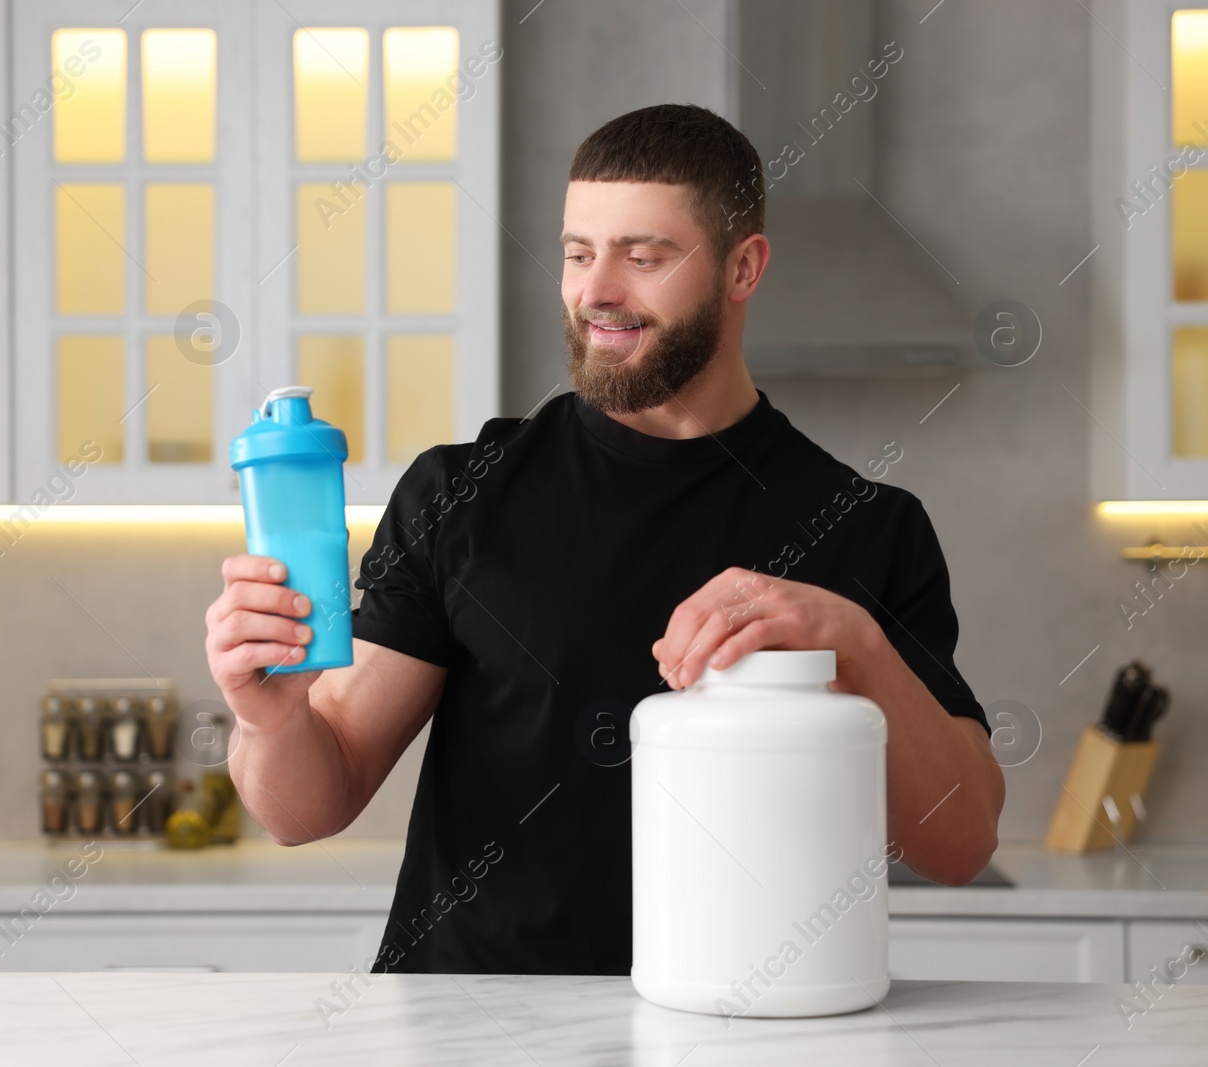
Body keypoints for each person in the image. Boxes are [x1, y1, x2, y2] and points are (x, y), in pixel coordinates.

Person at [205, 103, 1005, 976]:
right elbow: (306, 807)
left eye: (645, 255)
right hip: (474, 1028)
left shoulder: (867, 526)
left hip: (743, 1028)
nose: (596, 290)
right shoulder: (461, 493)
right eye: (579, 253)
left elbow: (958, 845)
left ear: (744, 267)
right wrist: (268, 717)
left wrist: (855, 640)